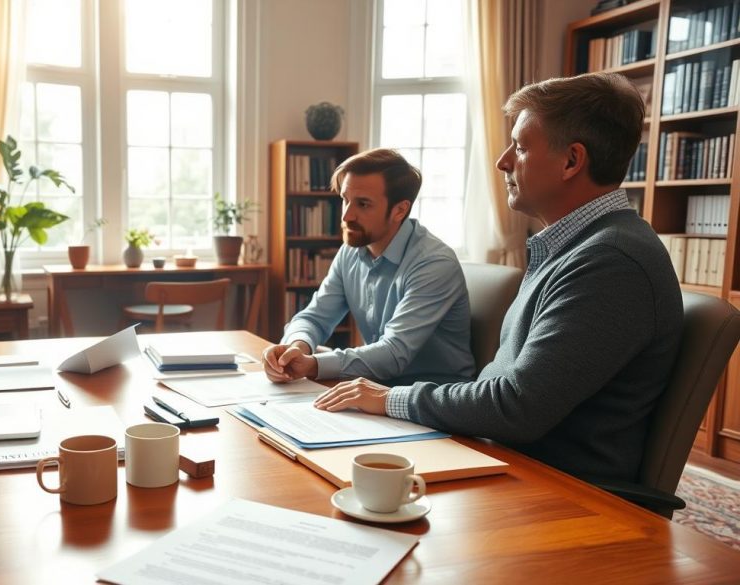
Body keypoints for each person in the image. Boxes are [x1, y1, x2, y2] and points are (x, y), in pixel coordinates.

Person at [313, 72, 684, 482]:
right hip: (505, 460)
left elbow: (515, 406)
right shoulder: (576, 247)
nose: (503, 160)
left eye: (521, 147)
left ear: (572, 161)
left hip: (560, 492)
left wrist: (389, 399)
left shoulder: (611, 263)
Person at [262, 148, 475, 387]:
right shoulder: (351, 251)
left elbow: (394, 353)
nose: (346, 216)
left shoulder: (433, 263)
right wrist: (296, 347)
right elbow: (315, 317)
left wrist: (312, 365)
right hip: (376, 387)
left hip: (433, 398)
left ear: (400, 210)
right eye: (345, 200)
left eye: (363, 204)